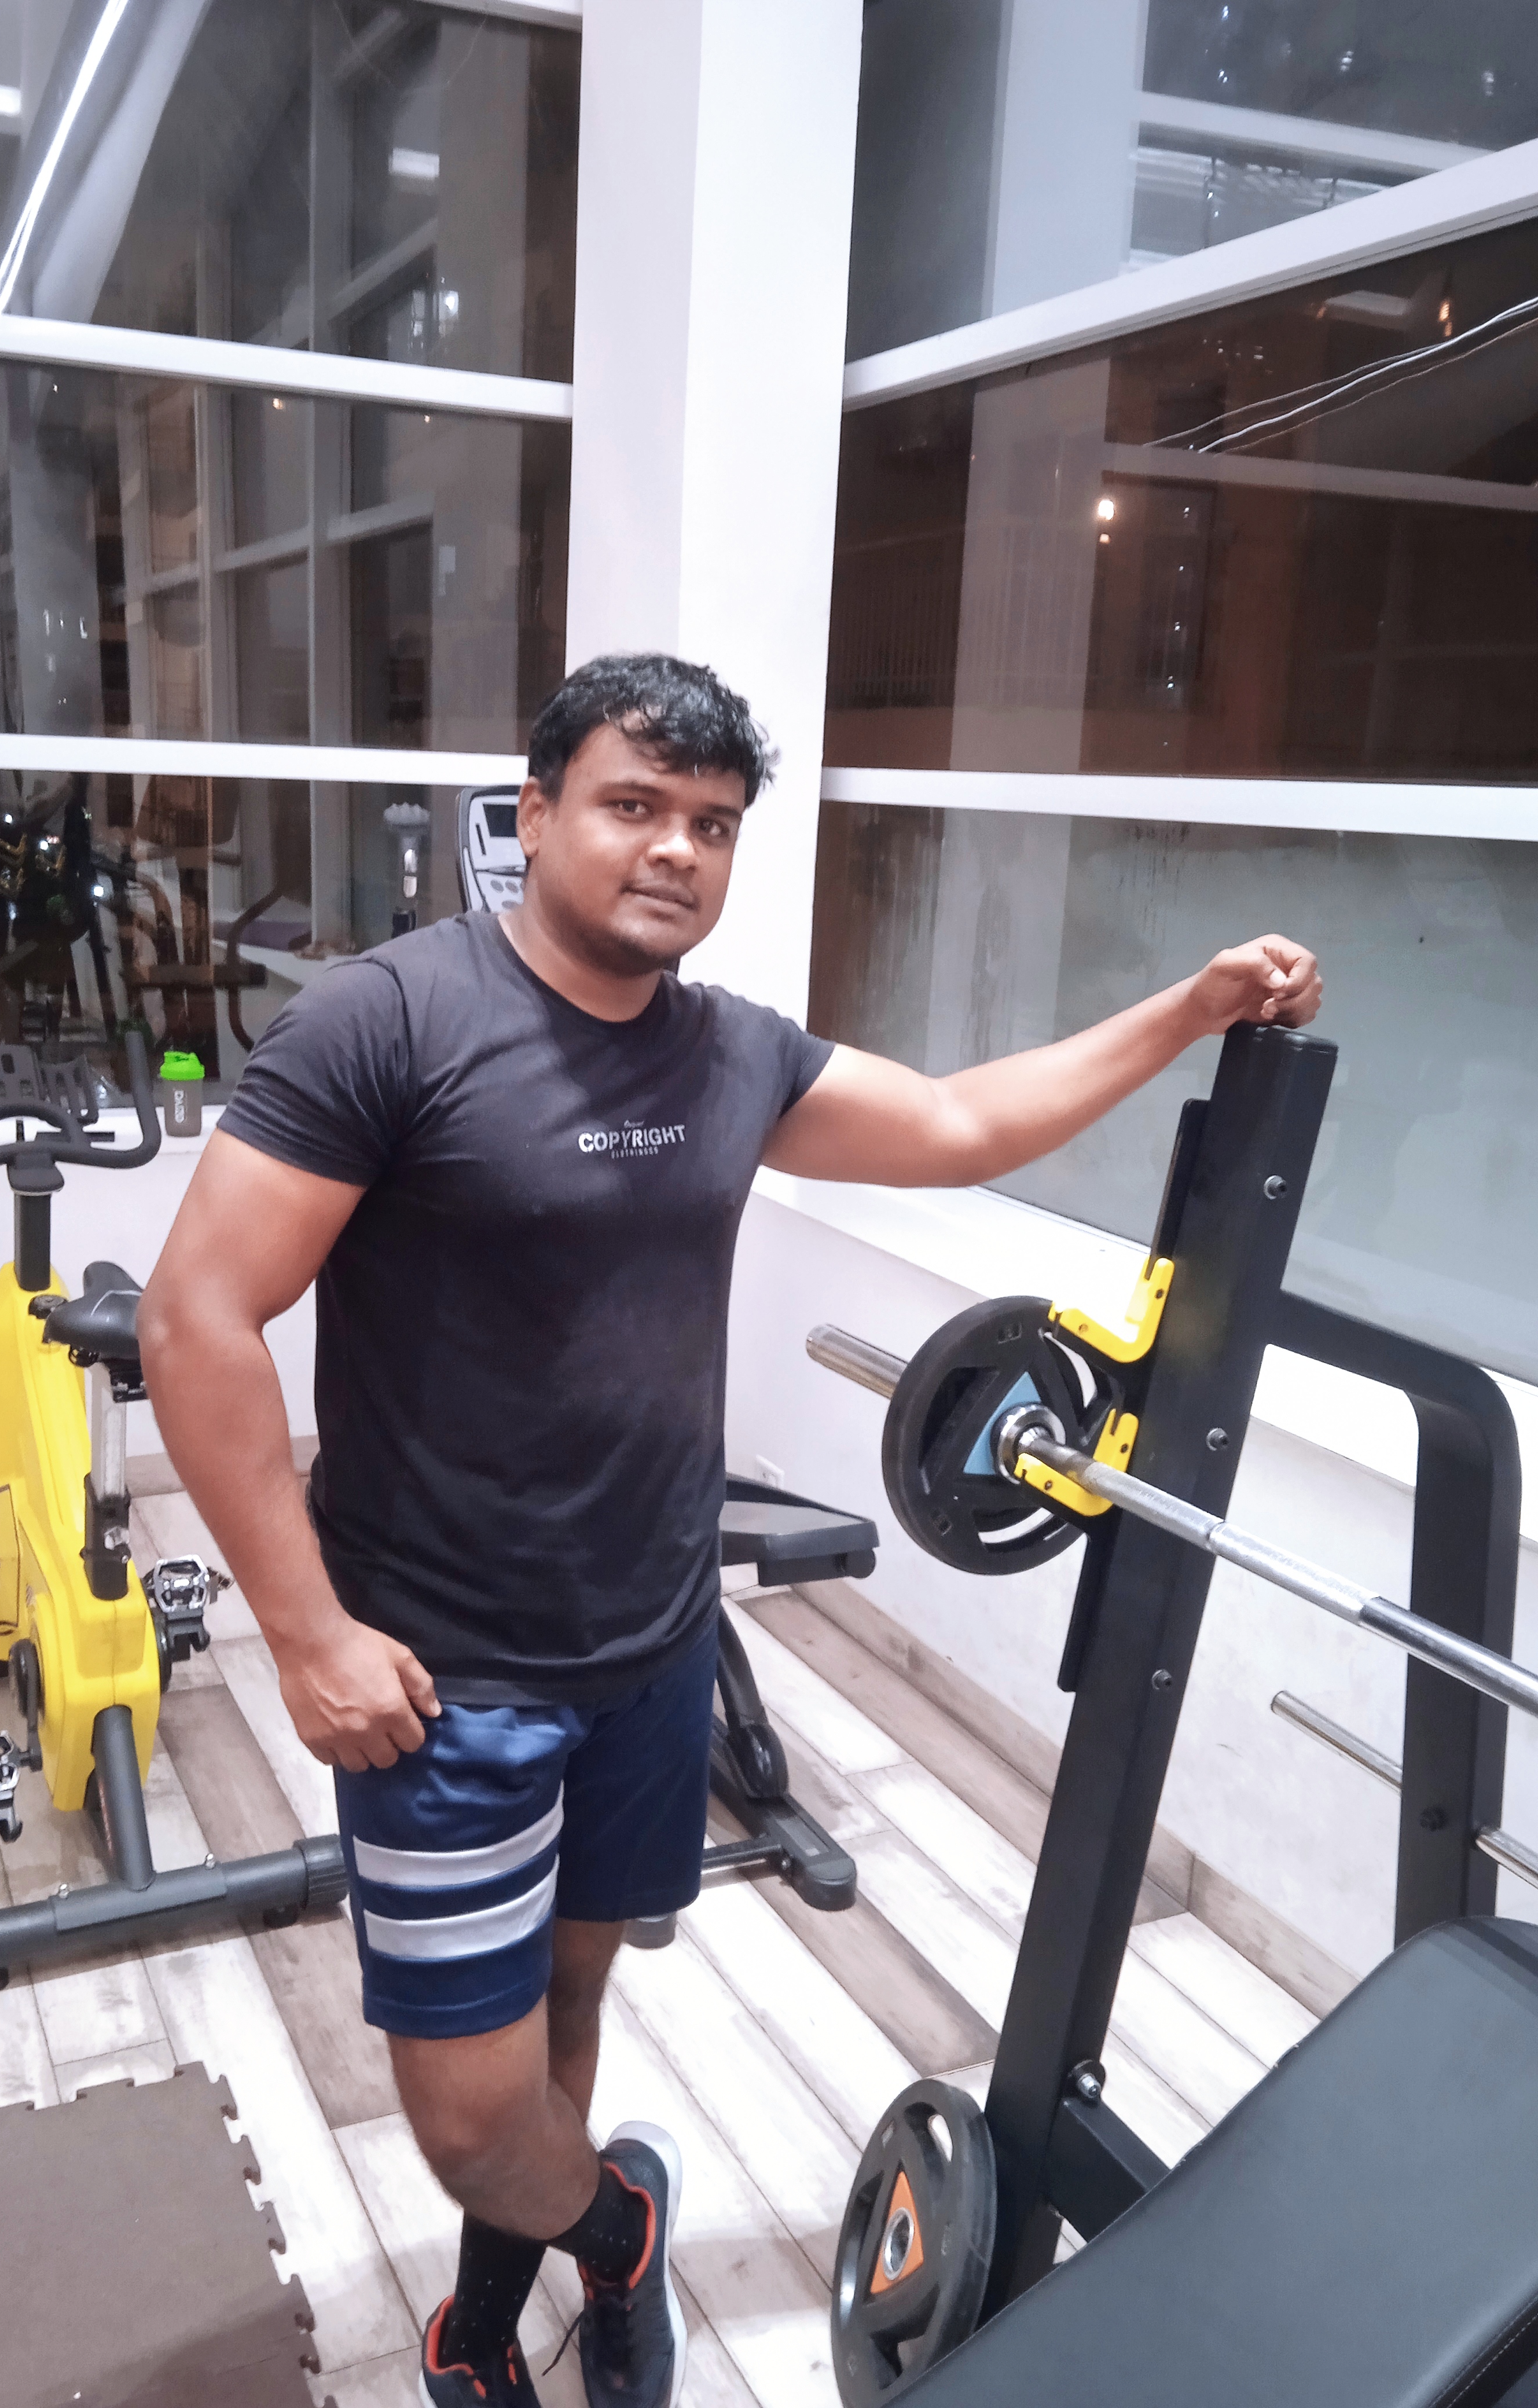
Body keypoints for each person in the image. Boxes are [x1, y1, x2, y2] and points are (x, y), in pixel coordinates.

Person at [138, 654, 1323, 2408]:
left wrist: (1193, 1010)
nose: (675, 850)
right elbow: (197, 1319)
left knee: (571, 2003)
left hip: (650, 1645)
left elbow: (960, 1124)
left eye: (712, 823)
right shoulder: (388, 1024)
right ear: (535, 811)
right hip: (443, 1677)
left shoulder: (734, 1052)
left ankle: (488, 2321)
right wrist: (308, 1635)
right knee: (472, 2119)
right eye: (633, 806)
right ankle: (621, 2235)